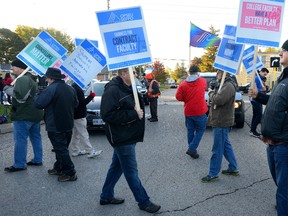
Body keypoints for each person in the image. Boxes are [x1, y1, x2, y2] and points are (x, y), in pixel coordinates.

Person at [99, 68, 161, 214]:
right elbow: (107, 115)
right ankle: (143, 201)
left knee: (117, 167)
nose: (134, 75)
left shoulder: (128, 88)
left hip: (128, 135)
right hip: (122, 137)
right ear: (123, 74)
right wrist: (133, 114)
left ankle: (106, 196)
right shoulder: (113, 91)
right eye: (132, 73)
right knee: (131, 171)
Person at [248, 40, 288, 215]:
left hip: (284, 145)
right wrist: (258, 96)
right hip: (272, 143)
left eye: (283, 51)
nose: (279, 54)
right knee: (281, 185)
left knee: (284, 191)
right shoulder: (283, 77)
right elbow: (275, 101)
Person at [34, 67, 79, 182]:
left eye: (47, 78)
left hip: (55, 124)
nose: (46, 80)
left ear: (50, 78)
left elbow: (39, 104)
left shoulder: (51, 89)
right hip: (68, 123)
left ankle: (70, 172)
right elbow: (76, 104)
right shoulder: (70, 89)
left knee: (60, 149)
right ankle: (59, 167)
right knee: (62, 148)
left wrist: (39, 93)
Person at [4, 59, 43, 172]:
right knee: (36, 137)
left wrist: (7, 89)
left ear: (20, 68)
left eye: (13, 66)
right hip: (35, 114)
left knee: (20, 140)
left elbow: (20, 96)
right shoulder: (30, 78)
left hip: (23, 115)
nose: (11, 69)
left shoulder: (22, 79)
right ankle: (37, 159)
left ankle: (20, 164)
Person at [201, 70, 239, 183]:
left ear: (223, 73)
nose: (217, 74)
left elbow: (219, 99)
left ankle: (213, 174)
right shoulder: (223, 84)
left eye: (218, 72)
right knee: (226, 146)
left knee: (217, 149)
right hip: (219, 120)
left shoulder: (228, 85)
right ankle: (233, 168)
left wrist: (210, 93)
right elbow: (217, 101)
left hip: (222, 122)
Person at [175, 65, 208, 159]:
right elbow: (204, 88)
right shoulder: (202, 81)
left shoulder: (183, 84)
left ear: (189, 73)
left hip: (188, 111)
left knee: (190, 130)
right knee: (200, 130)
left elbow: (178, 97)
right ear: (197, 72)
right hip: (200, 111)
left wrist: (186, 98)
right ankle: (192, 148)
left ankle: (192, 150)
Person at [70, 82, 103, 158]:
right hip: (80, 115)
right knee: (83, 134)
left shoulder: (73, 88)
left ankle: (75, 150)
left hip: (75, 115)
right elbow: (82, 103)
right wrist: (91, 96)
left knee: (76, 134)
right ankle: (90, 151)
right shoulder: (78, 89)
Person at [250, 67, 269, 138]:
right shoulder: (257, 78)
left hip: (258, 99)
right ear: (261, 72)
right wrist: (261, 89)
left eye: (265, 75)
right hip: (256, 100)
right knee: (259, 115)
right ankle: (253, 130)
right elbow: (252, 87)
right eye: (264, 74)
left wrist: (265, 88)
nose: (265, 76)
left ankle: (252, 130)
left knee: (255, 115)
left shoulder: (260, 79)